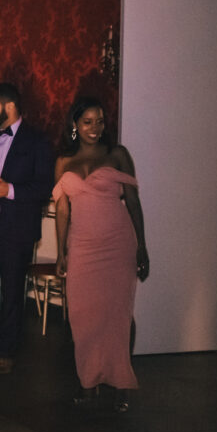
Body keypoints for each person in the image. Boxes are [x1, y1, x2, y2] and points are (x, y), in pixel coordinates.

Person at [53, 97, 149, 412]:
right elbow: (62, 210)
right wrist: (61, 251)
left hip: (118, 244)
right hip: (82, 246)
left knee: (118, 315)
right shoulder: (63, 161)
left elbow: (132, 201)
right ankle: (88, 382)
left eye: (100, 121)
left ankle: (121, 384)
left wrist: (142, 245)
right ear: (75, 125)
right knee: (82, 315)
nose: (95, 128)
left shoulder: (117, 154)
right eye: (87, 122)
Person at [0, 83, 54, 375]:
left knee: (13, 291)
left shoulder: (37, 140)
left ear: (10, 106)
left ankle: (7, 352)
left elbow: (44, 187)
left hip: (17, 228)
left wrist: (10, 190)